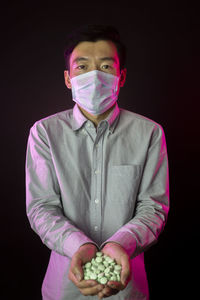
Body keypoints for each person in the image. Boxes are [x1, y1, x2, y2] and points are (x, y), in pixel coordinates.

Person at [26, 24, 169, 300]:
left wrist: (119, 244)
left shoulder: (150, 133)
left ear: (121, 76)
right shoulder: (44, 133)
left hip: (129, 289)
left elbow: (154, 207)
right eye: (82, 67)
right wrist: (79, 245)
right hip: (63, 289)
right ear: (68, 78)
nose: (94, 76)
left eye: (105, 67)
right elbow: (41, 207)